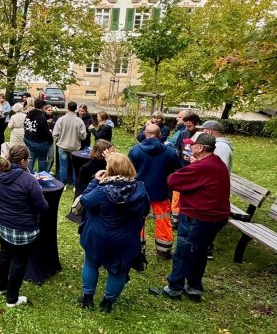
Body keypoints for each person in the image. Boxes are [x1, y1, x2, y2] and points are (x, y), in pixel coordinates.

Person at [149, 133, 230, 302]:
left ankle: (174, 288)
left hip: (199, 216)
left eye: (192, 145)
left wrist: (192, 167)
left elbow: (173, 180)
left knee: (184, 251)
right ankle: (194, 288)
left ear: (200, 148)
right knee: (199, 251)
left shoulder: (202, 167)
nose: (189, 147)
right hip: (215, 216)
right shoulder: (215, 163)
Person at [79, 153, 150, 313]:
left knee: (91, 263)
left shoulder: (102, 190)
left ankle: (87, 298)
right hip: (125, 239)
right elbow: (145, 210)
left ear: (110, 170)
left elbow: (85, 201)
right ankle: (107, 303)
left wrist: (95, 181)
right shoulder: (140, 190)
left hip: (98, 236)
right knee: (118, 271)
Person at [0, 145, 49, 308]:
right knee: (19, 261)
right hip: (22, 229)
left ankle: (0, 287)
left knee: (4, 253)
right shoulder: (29, 180)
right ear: (24, 161)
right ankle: (12, 298)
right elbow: (43, 208)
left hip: (2, 224)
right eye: (28, 159)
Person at [128, 124, 179, 259]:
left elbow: (129, 173)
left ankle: (136, 250)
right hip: (161, 192)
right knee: (163, 220)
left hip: (139, 192)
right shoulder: (170, 152)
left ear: (145, 134)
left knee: (137, 220)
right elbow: (177, 173)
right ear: (160, 135)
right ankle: (164, 251)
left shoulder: (134, 151)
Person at [52, 101, 87, 185]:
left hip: (62, 146)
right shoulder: (79, 121)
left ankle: (63, 184)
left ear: (67, 108)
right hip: (75, 147)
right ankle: (75, 184)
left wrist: (58, 140)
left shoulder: (61, 119)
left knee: (63, 166)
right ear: (76, 109)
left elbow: (55, 134)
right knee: (75, 166)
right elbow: (83, 136)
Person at [23, 98, 53, 173]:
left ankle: (28, 173)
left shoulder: (28, 114)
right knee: (42, 160)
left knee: (31, 157)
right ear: (43, 107)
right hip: (38, 142)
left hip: (28, 139)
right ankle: (42, 176)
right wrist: (50, 134)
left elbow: (25, 125)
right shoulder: (41, 118)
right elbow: (45, 132)